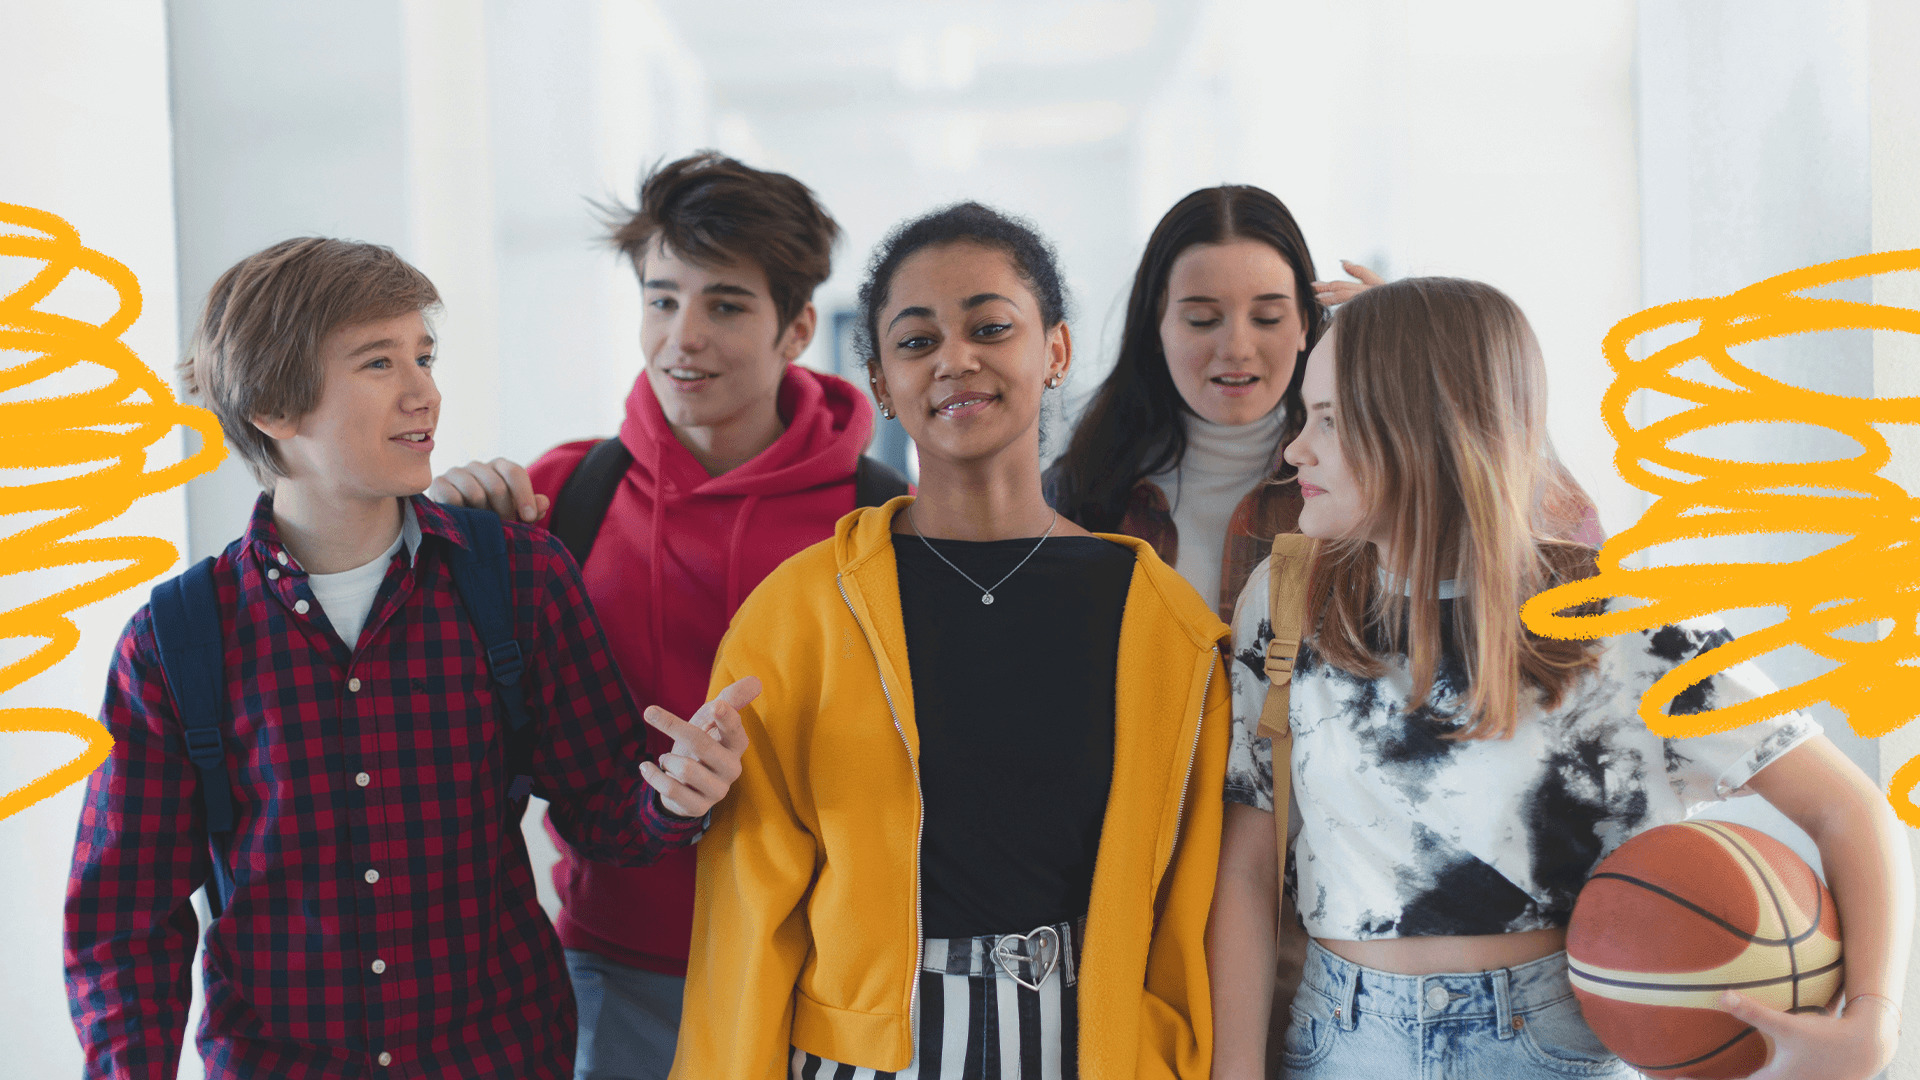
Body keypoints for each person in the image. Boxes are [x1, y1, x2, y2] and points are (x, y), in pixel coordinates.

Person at [65, 237, 746, 1079]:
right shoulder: (175, 640)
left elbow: (603, 815)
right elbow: (123, 923)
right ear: (276, 408)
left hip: (500, 1057)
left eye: (423, 355)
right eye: (379, 362)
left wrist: (675, 794)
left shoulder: (517, 579)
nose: (424, 391)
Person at [1207, 277, 1913, 1078]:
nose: (1297, 447)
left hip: (1554, 1047)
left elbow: (1849, 807)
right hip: (1339, 1039)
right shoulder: (1287, 595)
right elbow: (1249, 860)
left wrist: (1873, 1022)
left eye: (1329, 420)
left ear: (1423, 426)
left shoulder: (1624, 621)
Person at [670, 203, 1230, 1079]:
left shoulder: (1162, 621)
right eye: (917, 340)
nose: (955, 359)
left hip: (1091, 1049)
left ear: (1055, 352)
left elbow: (1188, 905)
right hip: (863, 1059)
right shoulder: (800, 614)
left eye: (990, 327)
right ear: (884, 383)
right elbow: (748, 909)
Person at [428, 153, 902, 1080]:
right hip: (619, 970)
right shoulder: (561, 499)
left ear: (797, 326)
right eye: (661, 299)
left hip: (828, 977)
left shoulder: (878, 522)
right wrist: (441, 540)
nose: (683, 337)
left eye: (725, 304)